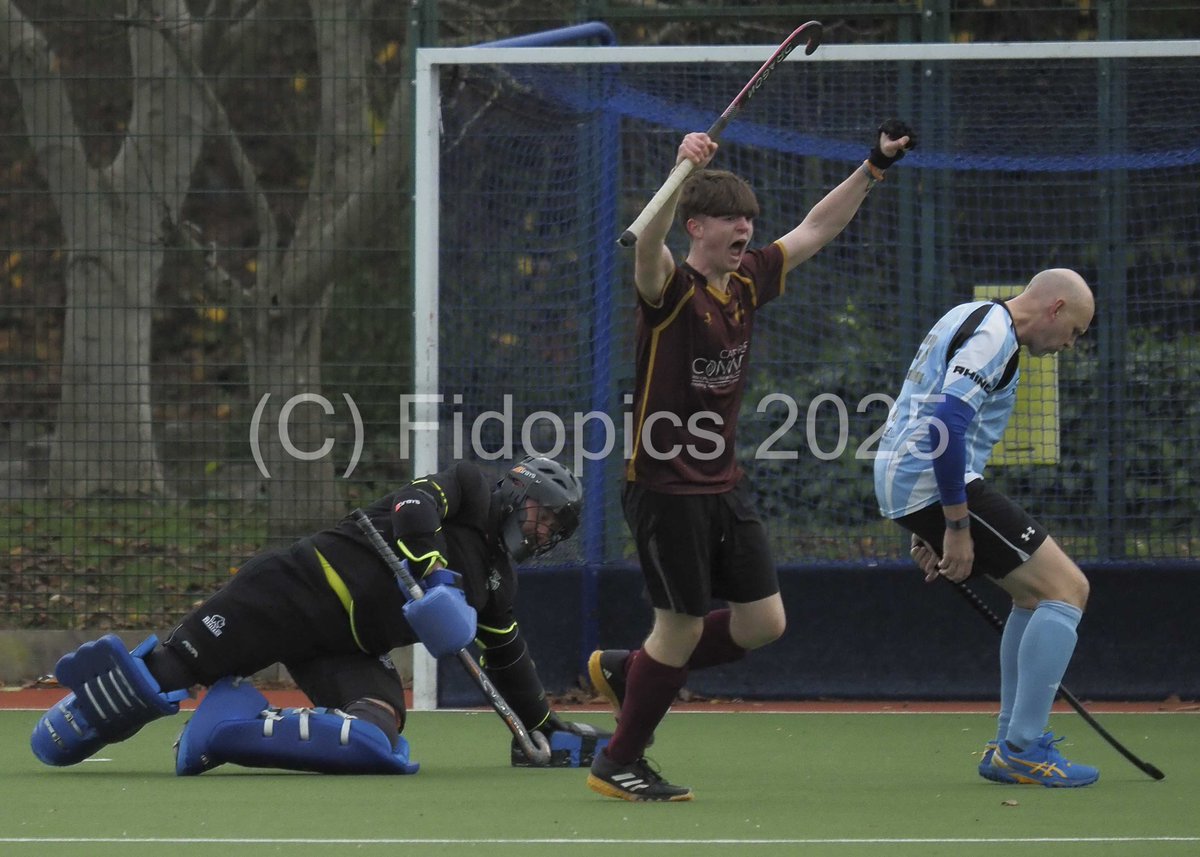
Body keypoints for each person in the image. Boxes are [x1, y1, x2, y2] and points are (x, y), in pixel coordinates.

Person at [586, 121, 917, 801]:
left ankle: (638, 671)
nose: (746, 228)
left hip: (722, 483)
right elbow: (646, 244)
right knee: (679, 626)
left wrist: (873, 166)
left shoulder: (747, 280)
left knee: (763, 624)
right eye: (732, 219)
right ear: (697, 226)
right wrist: (680, 169)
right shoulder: (670, 288)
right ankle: (618, 759)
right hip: (665, 486)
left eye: (749, 219)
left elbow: (816, 228)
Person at [32, 455, 607, 775]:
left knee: (377, 734)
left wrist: (541, 724)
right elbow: (413, 506)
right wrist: (436, 577)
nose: (542, 532)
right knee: (167, 673)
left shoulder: (499, 580)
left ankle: (228, 725)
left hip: (348, 650)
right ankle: (77, 719)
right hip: (293, 592)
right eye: (542, 515)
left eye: (553, 530)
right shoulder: (470, 486)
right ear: (518, 491)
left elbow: (507, 656)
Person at [873, 268, 1099, 787]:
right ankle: (1022, 748)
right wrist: (953, 525)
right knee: (1068, 591)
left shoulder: (967, 315)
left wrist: (923, 521)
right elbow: (945, 424)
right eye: (1074, 331)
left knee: (1033, 597)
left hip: (911, 481)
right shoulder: (995, 334)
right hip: (931, 483)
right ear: (1056, 308)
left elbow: (922, 410)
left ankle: (1009, 744)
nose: (1069, 344)